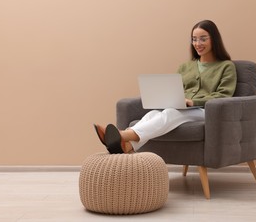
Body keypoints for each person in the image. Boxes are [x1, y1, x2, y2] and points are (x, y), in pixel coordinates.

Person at [94, 20, 237, 154]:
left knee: (170, 113)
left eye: (203, 39)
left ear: (214, 39)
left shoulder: (226, 66)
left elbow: (224, 95)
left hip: (207, 111)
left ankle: (122, 134)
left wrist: (194, 102)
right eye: (194, 39)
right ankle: (127, 146)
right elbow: (175, 90)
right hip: (183, 109)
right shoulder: (185, 66)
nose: (197, 43)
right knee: (152, 114)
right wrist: (168, 98)